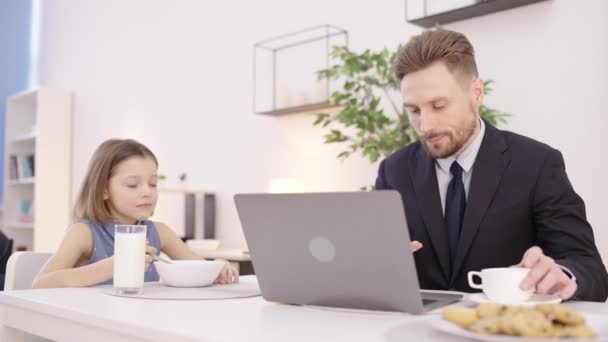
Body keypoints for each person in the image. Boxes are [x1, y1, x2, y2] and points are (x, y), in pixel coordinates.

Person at [375, 29, 608, 301]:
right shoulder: (394, 171)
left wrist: (562, 274)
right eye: (414, 110)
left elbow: (591, 270)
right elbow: (374, 260)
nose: (425, 126)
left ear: (476, 92)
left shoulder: (537, 164)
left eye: (438, 106)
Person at [33, 139, 238, 288]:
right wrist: (113, 265)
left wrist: (218, 268)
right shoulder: (84, 232)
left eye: (153, 184)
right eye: (132, 185)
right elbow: (40, 285)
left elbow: (197, 266)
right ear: (103, 190)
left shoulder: (160, 232)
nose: (147, 192)